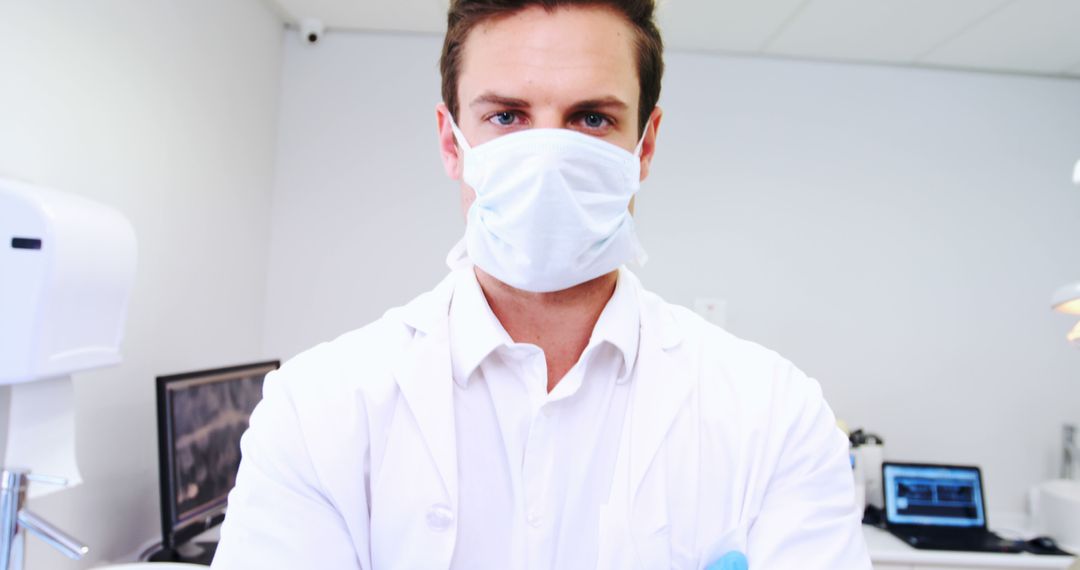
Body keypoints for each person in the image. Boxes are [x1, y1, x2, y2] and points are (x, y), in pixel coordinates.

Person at [211, 0, 872, 568]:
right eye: (506, 117)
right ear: (452, 141)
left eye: (591, 119)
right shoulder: (319, 409)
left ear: (644, 147)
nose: (549, 157)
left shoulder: (774, 413)